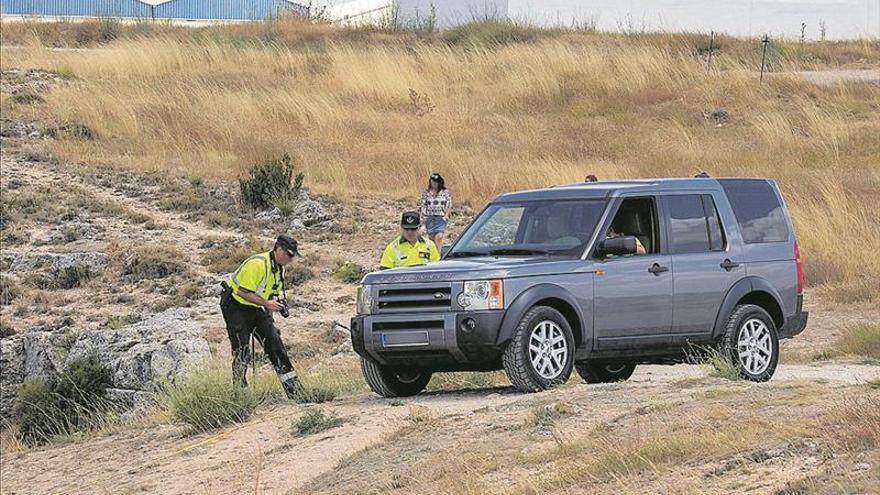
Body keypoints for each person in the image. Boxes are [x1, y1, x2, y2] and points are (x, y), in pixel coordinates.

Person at [219, 234, 302, 399]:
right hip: (236, 306)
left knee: (275, 343)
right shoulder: (258, 264)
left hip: (257, 307)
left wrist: (272, 313)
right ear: (278, 249)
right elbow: (243, 292)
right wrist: (267, 304)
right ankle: (240, 395)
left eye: (293, 256)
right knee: (241, 350)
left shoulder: (279, 268)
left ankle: (296, 392)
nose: (290, 259)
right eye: (288, 255)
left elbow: (272, 294)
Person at [419, 172, 452, 251]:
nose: (433, 184)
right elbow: (423, 205)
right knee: (431, 238)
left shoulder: (445, 193)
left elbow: (448, 204)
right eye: (432, 182)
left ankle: (438, 255)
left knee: (439, 237)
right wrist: (424, 216)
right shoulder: (426, 193)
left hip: (440, 217)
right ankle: (433, 254)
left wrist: (446, 215)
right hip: (430, 217)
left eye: (435, 182)